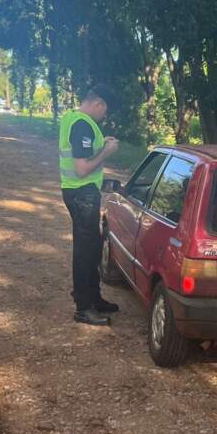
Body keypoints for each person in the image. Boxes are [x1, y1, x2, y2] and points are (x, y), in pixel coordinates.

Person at [59, 84, 121, 326]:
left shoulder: (74, 120)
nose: (104, 116)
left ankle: (93, 298)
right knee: (85, 251)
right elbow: (82, 168)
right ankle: (83, 308)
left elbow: (82, 152)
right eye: (104, 111)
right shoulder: (82, 124)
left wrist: (100, 144)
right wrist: (107, 151)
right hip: (81, 193)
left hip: (79, 192)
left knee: (93, 246)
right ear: (99, 104)